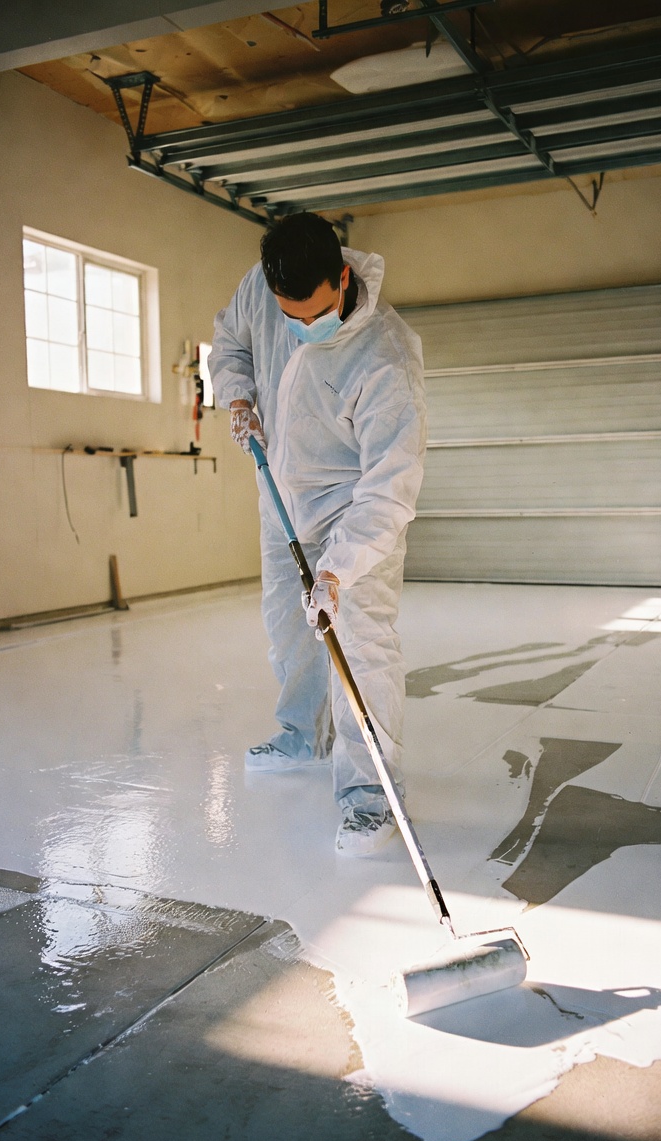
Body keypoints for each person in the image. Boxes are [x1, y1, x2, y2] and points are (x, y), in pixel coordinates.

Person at [209, 212, 426, 856]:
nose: (305, 328)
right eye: (291, 317)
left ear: (343, 275)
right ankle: (303, 732)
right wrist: (238, 396)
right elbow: (230, 344)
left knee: (360, 642)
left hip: (350, 506)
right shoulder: (260, 288)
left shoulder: (386, 354)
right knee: (286, 623)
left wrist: (341, 568)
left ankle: (372, 796)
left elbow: (390, 485)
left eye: (317, 314)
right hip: (279, 490)